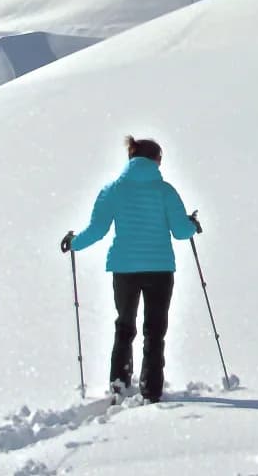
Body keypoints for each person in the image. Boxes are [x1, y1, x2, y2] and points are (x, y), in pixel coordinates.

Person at [60, 134, 200, 402]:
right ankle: (151, 390)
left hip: (124, 269)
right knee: (155, 330)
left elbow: (98, 230)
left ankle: (119, 385)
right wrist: (192, 224)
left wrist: (74, 243)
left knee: (124, 327)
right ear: (156, 160)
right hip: (159, 269)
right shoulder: (165, 191)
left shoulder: (113, 190)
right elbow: (181, 232)